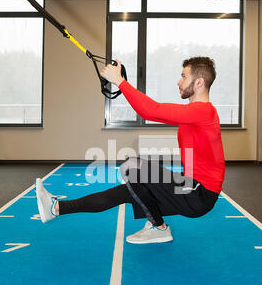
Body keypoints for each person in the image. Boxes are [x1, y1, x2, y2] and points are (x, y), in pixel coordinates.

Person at [36, 56, 225, 244]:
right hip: (190, 187)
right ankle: (56, 208)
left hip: (199, 194)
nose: (179, 81)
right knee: (126, 191)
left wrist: (119, 81)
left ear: (199, 82)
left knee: (131, 166)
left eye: (184, 76)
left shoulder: (204, 112)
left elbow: (151, 110)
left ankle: (158, 227)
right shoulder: (195, 114)